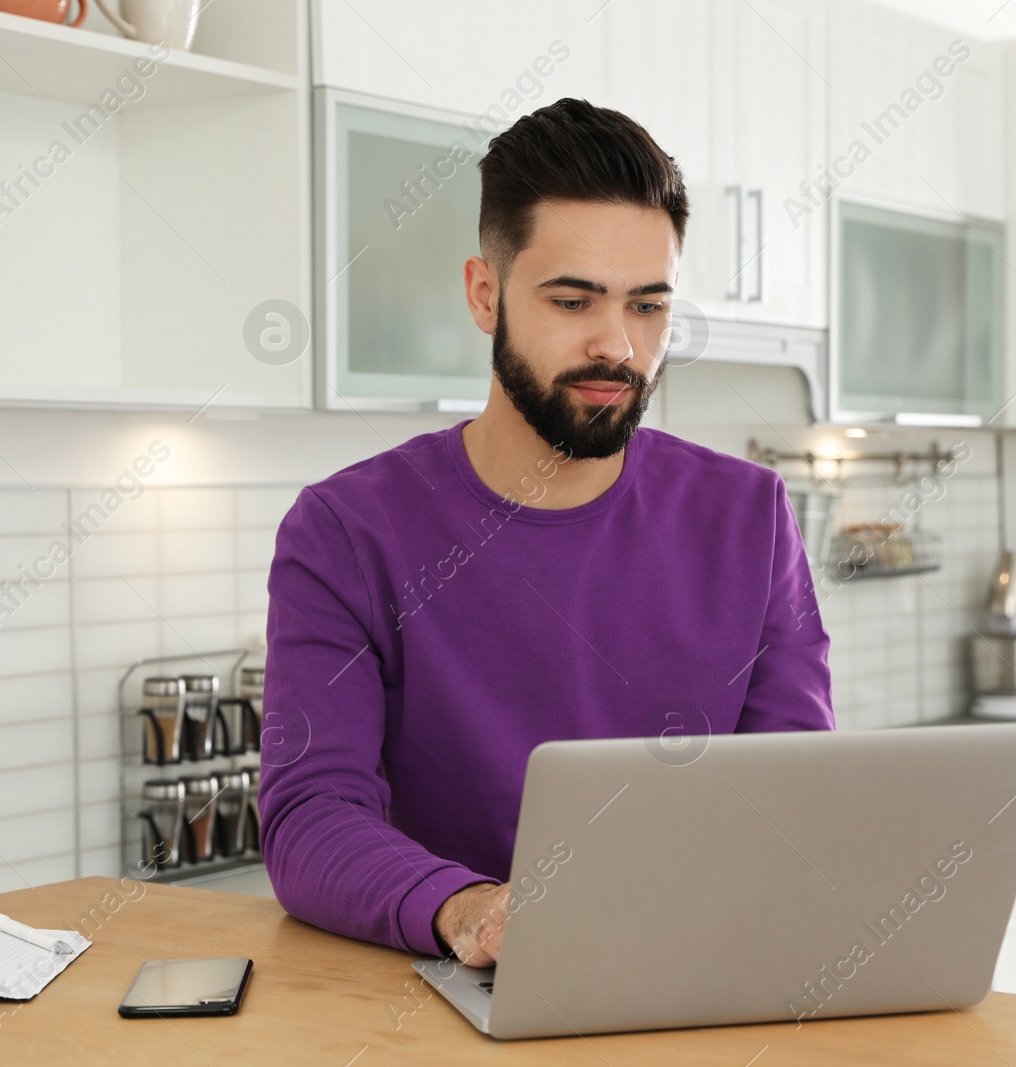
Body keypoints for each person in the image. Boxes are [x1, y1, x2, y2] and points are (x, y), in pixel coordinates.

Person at [257, 97, 834, 969]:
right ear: (484, 294)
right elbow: (309, 818)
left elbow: (794, 799)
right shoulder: (345, 532)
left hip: (696, 987)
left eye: (649, 307)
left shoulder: (751, 517)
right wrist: (468, 909)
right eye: (574, 300)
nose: (619, 345)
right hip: (453, 994)